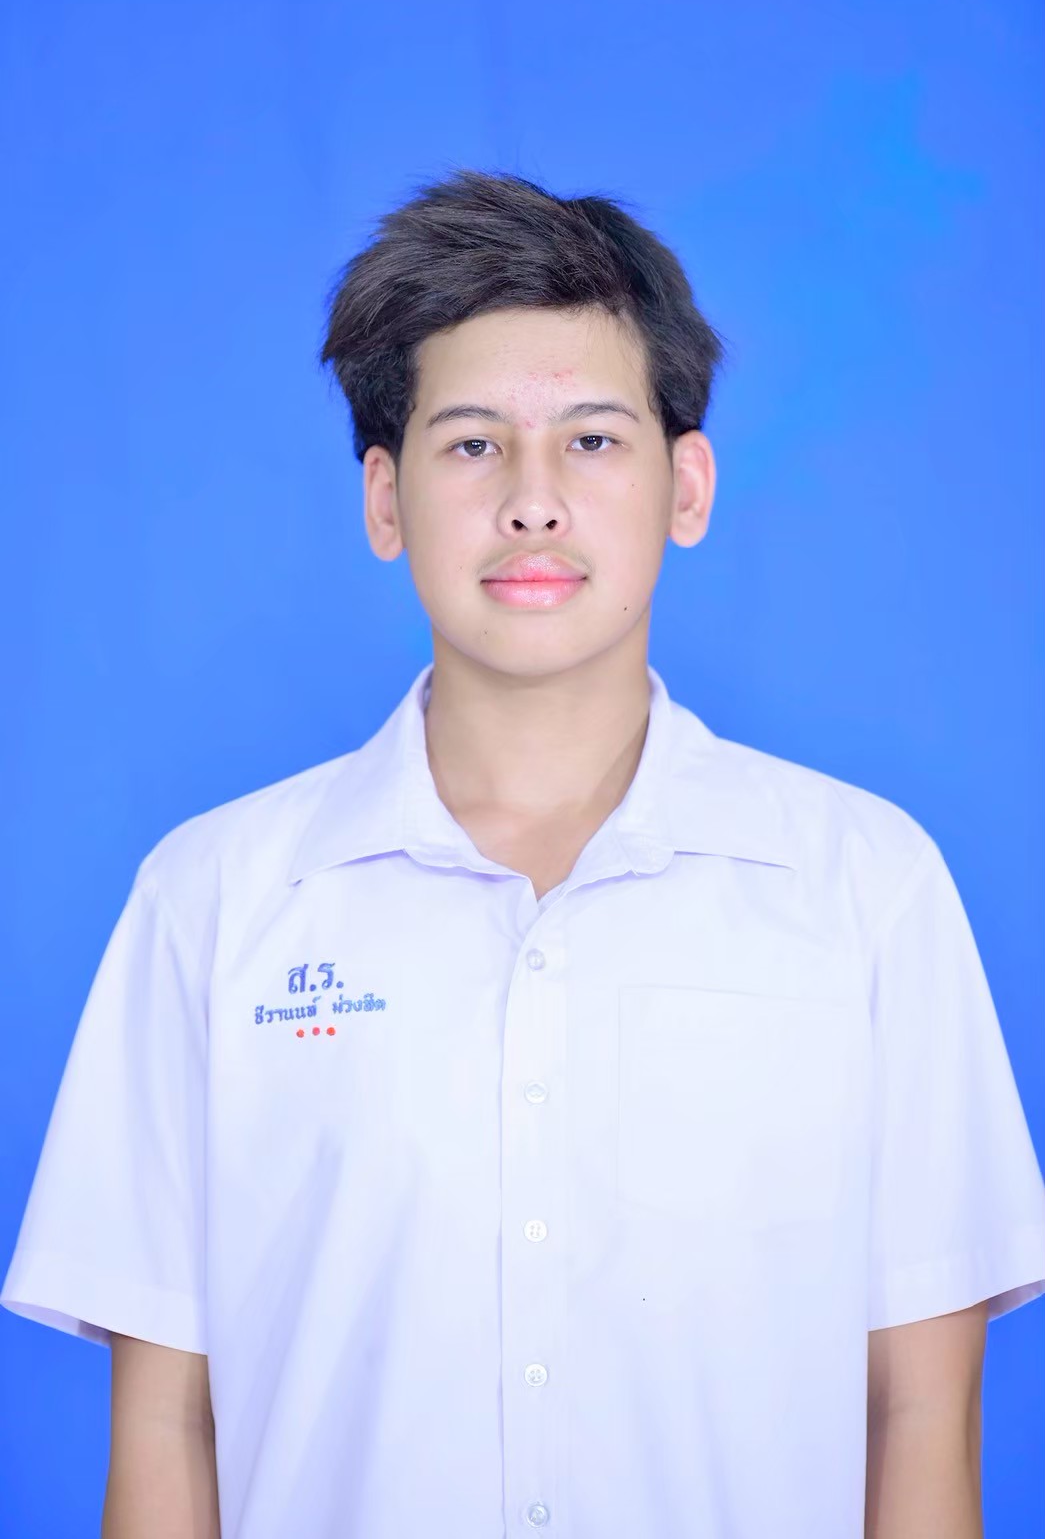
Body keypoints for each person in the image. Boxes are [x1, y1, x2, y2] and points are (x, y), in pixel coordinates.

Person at [3, 168, 1044, 1539]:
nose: (533, 502)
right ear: (384, 500)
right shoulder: (214, 900)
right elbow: (167, 1424)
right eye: (472, 445)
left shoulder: (863, 889)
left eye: (593, 441)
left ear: (686, 486)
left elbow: (919, 1411)